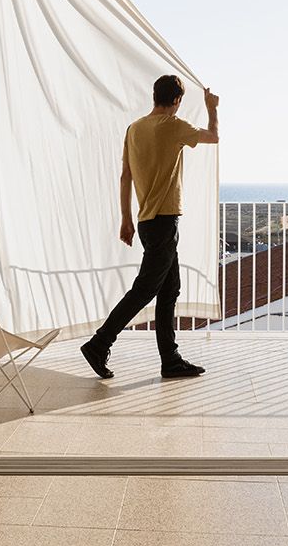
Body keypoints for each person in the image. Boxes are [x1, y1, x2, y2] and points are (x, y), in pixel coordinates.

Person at [80, 74, 219, 379]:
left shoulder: (134, 129)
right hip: (165, 222)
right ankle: (99, 343)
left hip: (146, 222)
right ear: (177, 101)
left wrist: (126, 219)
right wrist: (212, 107)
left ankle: (170, 359)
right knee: (144, 290)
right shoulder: (173, 126)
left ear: (154, 95)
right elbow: (213, 136)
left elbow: (125, 176)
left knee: (169, 290)